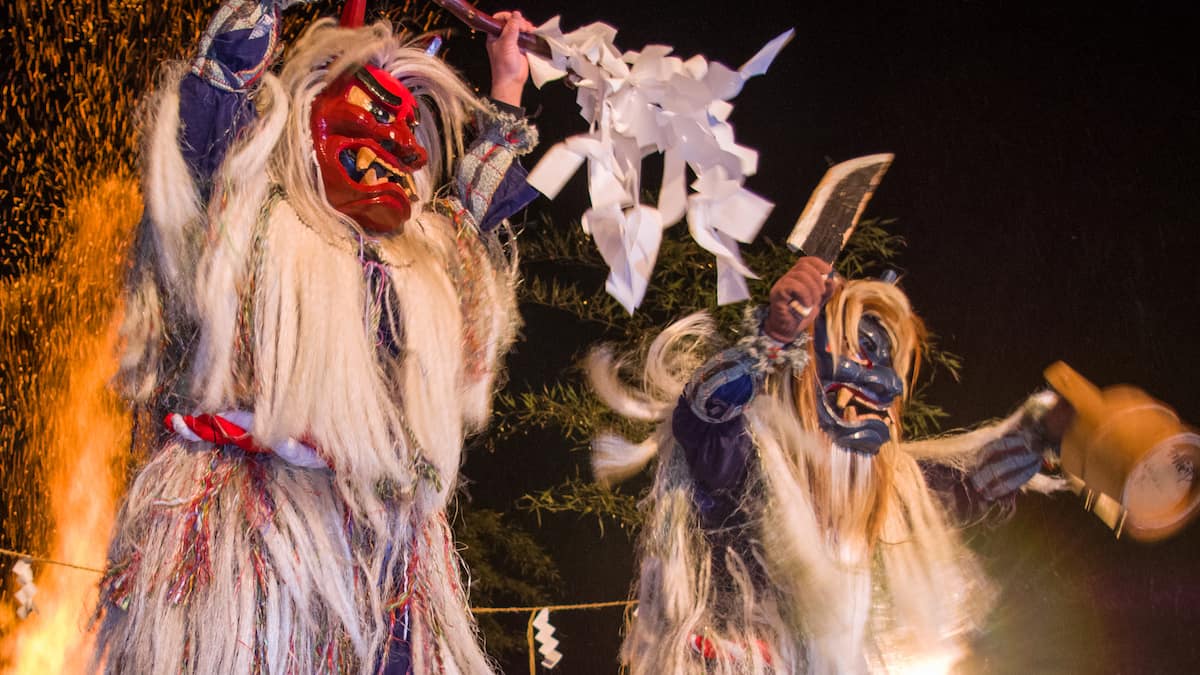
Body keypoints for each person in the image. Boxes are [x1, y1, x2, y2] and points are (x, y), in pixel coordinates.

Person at [94, 1, 538, 672]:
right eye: (373, 126)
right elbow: (212, 100)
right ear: (306, 131)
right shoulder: (249, 222)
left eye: (407, 136)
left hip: (384, 559)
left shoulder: (423, 264)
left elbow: (472, 213)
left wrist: (507, 83)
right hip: (251, 548)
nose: (404, 148)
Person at [589, 257, 1054, 674]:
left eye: (881, 390)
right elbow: (701, 416)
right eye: (849, 382)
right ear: (803, 384)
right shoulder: (746, 467)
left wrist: (1046, 429)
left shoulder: (895, 494)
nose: (869, 393)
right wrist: (770, 341)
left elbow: (975, 482)